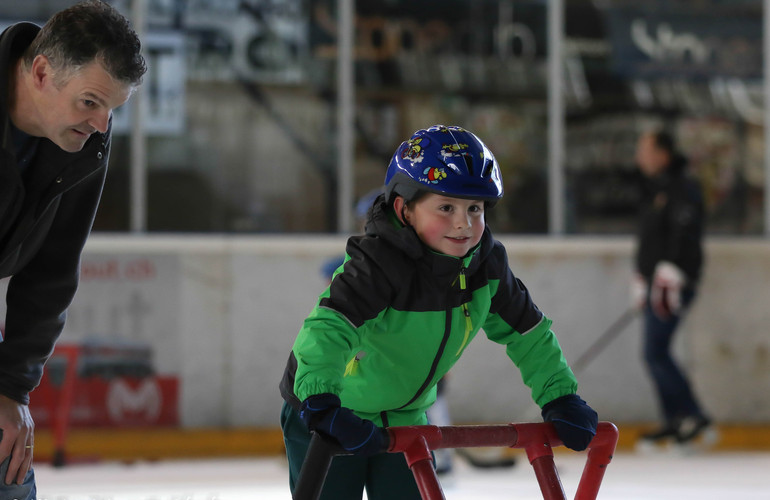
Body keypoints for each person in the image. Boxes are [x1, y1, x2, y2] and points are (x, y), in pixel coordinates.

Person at [279, 125, 598, 499]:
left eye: (474, 209)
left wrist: (560, 397)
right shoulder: (377, 267)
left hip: (406, 417)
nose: (463, 223)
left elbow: (528, 334)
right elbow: (328, 330)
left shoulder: (486, 267)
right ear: (405, 209)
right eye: (446, 207)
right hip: (331, 416)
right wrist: (321, 404)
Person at [0, 1, 146, 497]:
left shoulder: (85, 144)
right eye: (90, 102)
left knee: (8, 468)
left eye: (112, 110)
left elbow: (51, 271)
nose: (102, 124)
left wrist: (10, 389)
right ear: (41, 71)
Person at [631, 130, 712, 446]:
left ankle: (691, 415)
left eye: (645, 150)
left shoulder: (681, 188)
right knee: (655, 352)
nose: (640, 157)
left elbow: (686, 235)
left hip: (674, 284)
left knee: (655, 351)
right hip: (655, 284)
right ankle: (676, 418)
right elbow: (652, 239)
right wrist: (642, 276)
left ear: (663, 154)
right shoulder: (655, 188)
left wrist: (672, 270)